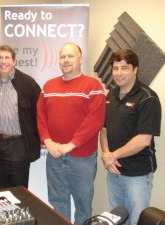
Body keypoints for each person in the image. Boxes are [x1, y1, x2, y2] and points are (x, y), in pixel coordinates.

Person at [37, 42, 106, 225]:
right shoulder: (48, 86)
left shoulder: (93, 85)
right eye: (62, 56)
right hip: (54, 157)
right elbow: (40, 116)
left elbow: (94, 120)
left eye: (70, 56)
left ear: (80, 59)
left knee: (83, 206)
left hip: (82, 159)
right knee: (58, 203)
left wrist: (70, 145)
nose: (66, 60)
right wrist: (47, 141)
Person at [100, 49, 162, 225]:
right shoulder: (110, 95)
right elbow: (103, 130)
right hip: (114, 172)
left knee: (137, 221)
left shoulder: (147, 97)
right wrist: (106, 155)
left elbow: (143, 140)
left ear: (135, 69)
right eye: (115, 68)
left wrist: (113, 155)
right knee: (117, 220)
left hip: (138, 175)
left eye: (124, 68)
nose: (118, 73)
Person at [0, 45, 41, 189]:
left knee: (18, 191)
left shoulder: (28, 83)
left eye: (7, 58)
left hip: (17, 145)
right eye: (0, 58)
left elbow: (39, 114)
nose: (3, 61)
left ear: (14, 61)